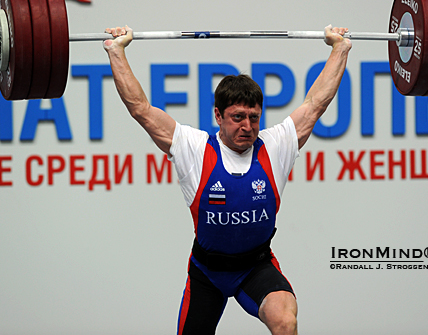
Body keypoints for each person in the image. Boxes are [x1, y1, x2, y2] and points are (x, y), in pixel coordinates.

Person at [103, 25, 351, 335]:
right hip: (207, 273)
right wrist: (117, 51)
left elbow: (316, 103)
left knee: (285, 320)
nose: (247, 126)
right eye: (237, 117)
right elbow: (140, 108)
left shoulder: (275, 145)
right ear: (218, 116)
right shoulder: (194, 148)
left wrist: (340, 49)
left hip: (255, 267)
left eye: (254, 117)